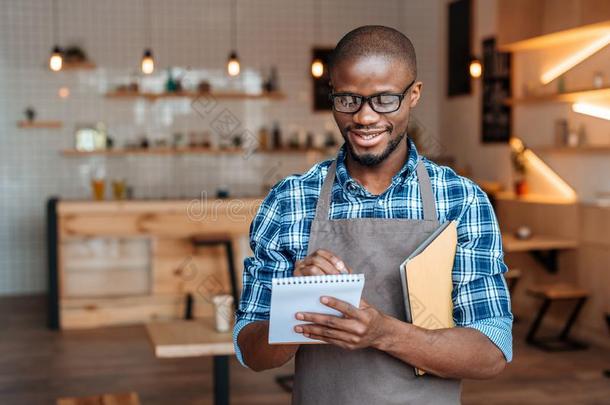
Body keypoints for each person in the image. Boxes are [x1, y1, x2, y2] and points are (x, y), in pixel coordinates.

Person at [234, 25, 512, 404]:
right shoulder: (290, 201)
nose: (364, 118)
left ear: (413, 95)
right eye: (348, 100)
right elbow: (252, 352)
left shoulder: (461, 201)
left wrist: (382, 333)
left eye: (384, 99)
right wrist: (293, 308)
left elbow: (491, 352)